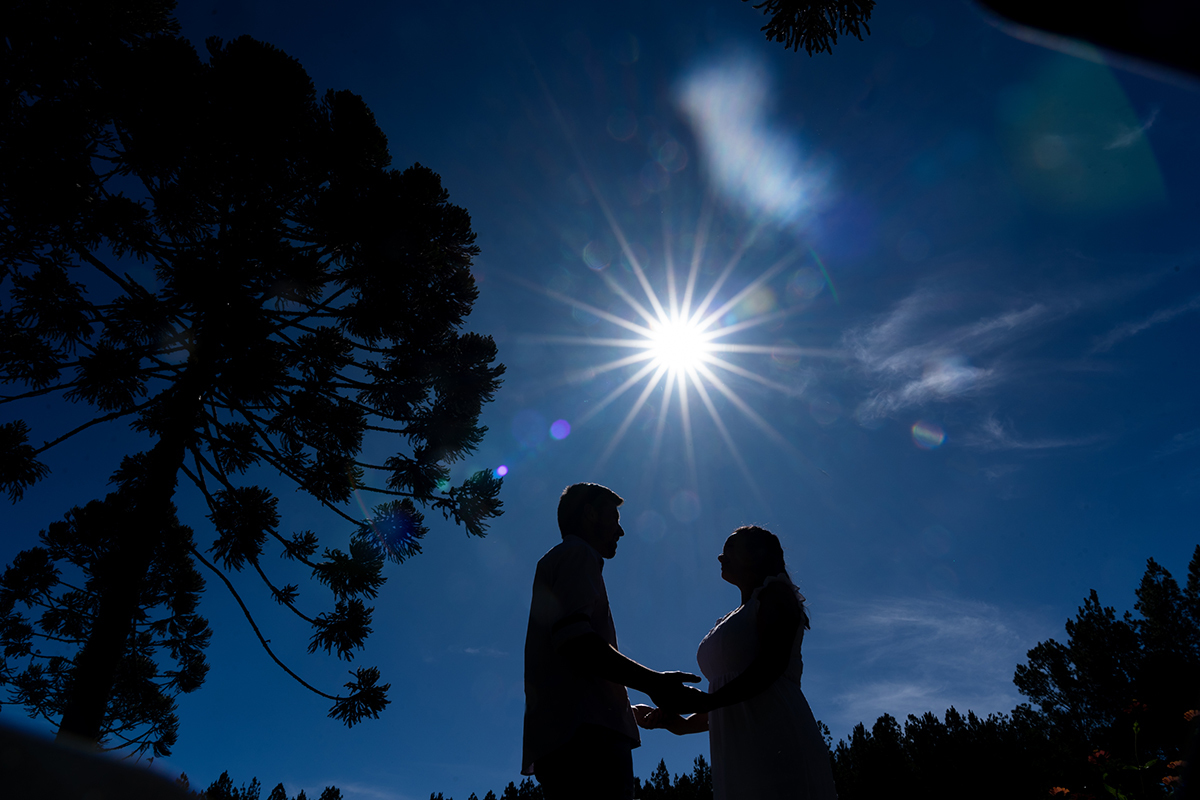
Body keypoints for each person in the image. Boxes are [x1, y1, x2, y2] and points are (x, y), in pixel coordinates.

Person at [522, 483, 708, 800]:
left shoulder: (557, 562)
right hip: (590, 743)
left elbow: (569, 663)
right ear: (590, 514)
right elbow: (576, 642)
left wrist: (624, 709)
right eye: (614, 518)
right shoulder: (578, 555)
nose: (620, 531)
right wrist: (655, 683)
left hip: (567, 738)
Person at [633, 525, 838, 800]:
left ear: (758, 554)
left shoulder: (776, 594)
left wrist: (703, 701)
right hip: (736, 752)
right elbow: (722, 706)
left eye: (730, 549)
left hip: (776, 739)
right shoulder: (732, 617)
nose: (720, 557)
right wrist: (672, 722)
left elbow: (770, 666)